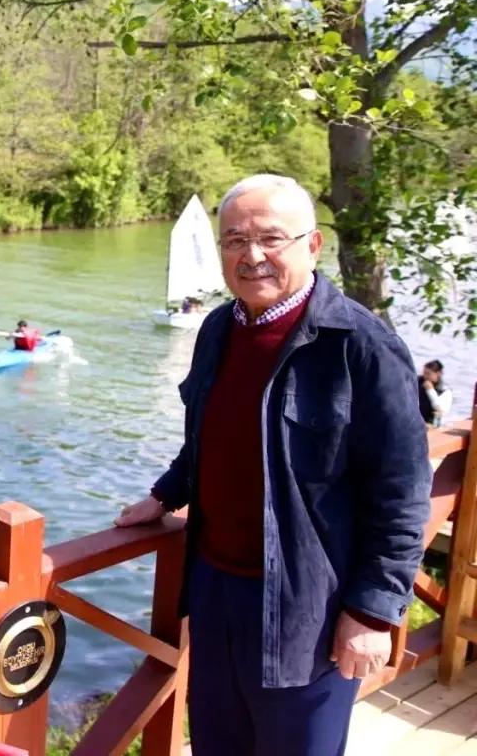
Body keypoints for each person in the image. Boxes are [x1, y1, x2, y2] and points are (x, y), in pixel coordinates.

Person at [114, 174, 431, 756]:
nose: (251, 256)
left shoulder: (358, 344)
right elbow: (207, 435)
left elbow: (403, 490)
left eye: (270, 239)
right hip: (215, 589)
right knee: (216, 742)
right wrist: (166, 494)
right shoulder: (218, 328)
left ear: (312, 246)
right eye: (234, 240)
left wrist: (373, 612)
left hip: (310, 601)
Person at [420, 360, 453, 427]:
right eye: (424, 373)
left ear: (438, 374)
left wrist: (430, 390)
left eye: (428, 374)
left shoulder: (445, 391)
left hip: (433, 426)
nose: (425, 376)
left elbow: (441, 409)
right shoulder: (418, 382)